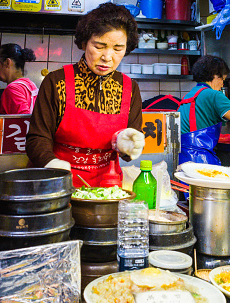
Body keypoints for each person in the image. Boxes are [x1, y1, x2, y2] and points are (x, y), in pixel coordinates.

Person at [26, 3, 145, 187]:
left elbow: (131, 143)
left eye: (117, 49)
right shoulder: (57, 82)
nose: (107, 56)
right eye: (99, 46)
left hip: (107, 190)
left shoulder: (130, 89)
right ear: (84, 43)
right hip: (57, 184)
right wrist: (52, 163)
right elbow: (37, 138)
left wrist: (126, 147)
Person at [178, 55, 230, 166]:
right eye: (223, 79)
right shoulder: (214, 95)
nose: (223, 84)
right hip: (200, 162)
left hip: (182, 160)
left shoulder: (189, 95)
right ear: (215, 76)